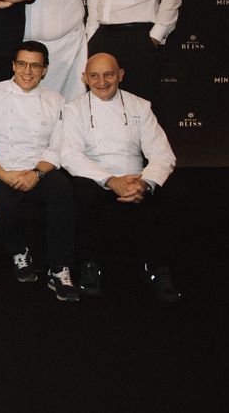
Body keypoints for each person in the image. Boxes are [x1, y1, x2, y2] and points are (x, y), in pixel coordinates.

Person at [60, 53, 180, 302]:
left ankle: (156, 268)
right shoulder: (74, 109)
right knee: (81, 191)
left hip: (134, 178)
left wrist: (145, 183)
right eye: (94, 75)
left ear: (120, 75)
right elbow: (70, 155)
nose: (102, 82)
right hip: (95, 178)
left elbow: (162, 153)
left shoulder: (140, 106)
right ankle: (90, 266)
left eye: (108, 74)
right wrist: (110, 181)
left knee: (172, 190)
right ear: (85, 78)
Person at [0, 40, 79, 301]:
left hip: (39, 169)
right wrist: (2, 174)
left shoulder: (57, 100)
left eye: (35, 66)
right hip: (1, 168)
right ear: (13, 65)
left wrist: (37, 173)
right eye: (22, 64)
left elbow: (58, 145)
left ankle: (59, 268)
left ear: (45, 70)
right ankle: (20, 252)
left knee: (63, 190)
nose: (27, 71)